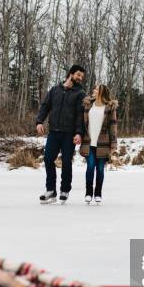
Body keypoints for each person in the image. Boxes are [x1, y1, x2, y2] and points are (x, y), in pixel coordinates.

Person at [35, 65, 86, 204]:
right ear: (71, 74)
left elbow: (80, 116)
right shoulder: (55, 90)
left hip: (69, 134)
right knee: (47, 159)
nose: (80, 78)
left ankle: (65, 190)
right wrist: (39, 121)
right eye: (78, 75)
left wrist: (79, 133)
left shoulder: (80, 94)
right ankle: (51, 190)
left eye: (81, 76)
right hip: (54, 132)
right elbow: (45, 106)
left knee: (66, 162)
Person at [79, 84, 118, 204]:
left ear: (101, 92)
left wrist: (113, 144)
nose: (93, 90)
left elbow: (113, 126)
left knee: (100, 169)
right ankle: (88, 192)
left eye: (96, 89)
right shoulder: (88, 105)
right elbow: (82, 123)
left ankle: (98, 193)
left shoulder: (109, 108)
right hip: (89, 142)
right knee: (90, 167)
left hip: (103, 143)